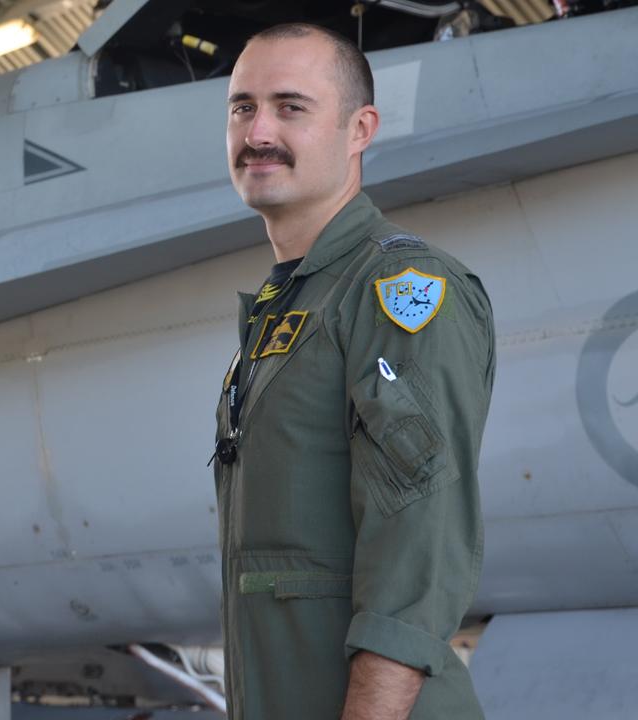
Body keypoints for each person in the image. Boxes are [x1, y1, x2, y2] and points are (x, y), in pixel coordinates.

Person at [212, 23, 495, 720]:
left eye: (291, 107)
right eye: (243, 107)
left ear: (360, 128)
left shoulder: (398, 286)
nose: (259, 131)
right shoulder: (294, 306)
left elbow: (416, 543)